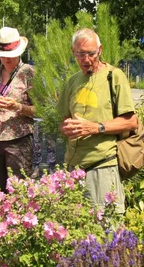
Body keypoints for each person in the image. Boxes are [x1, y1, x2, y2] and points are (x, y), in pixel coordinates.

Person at [57, 28, 137, 214]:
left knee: (106, 227)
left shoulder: (114, 76)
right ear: (73, 52)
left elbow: (131, 122)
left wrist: (95, 127)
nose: (86, 59)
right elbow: (63, 121)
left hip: (102, 166)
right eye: (80, 54)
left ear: (100, 50)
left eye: (91, 53)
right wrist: (66, 128)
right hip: (73, 168)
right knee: (75, 226)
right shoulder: (72, 81)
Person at [0, 27, 36, 195]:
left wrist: (18, 107)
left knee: (19, 189)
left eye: (10, 55)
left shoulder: (29, 73)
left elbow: (40, 110)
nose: (5, 59)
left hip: (19, 140)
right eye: (2, 55)